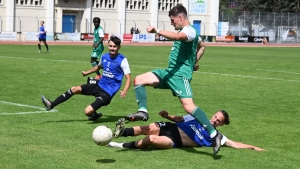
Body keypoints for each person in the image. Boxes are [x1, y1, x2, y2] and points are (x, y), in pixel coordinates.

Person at [124, 4, 222, 154]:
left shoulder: (189, 31)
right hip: (169, 73)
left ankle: (214, 134)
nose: (171, 23)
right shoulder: (189, 32)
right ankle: (143, 111)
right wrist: (192, 62)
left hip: (179, 76)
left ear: (180, 18)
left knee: (189, 107)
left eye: (172, 20)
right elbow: (202, 46)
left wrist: (157, 30)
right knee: (139, 80)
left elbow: (177, 37)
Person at [41, 36, 131, 121]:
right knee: (74, 89)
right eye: (110, 46)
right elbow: (98, 67)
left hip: (107, 93)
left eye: (115, 46)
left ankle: (94, 115)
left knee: (87, 112)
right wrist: (87, 72)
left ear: (119, 47)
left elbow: (128, 78)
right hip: (98, 84)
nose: (112, 48)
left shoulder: (122, 60)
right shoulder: (105, 56)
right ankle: (51, 105)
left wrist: (125, 90)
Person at [109, 110, 264, 152]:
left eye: (218, 121)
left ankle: (119, 144)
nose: (214, 120)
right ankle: (121, 132)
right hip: (172, 128)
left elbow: (234, 144)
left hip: (175, 141)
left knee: (152, 140)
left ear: (221, 124)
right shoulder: (199, 117)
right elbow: (181, 119)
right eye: (215, 116)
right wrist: (168, 116)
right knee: (149, 128)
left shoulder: (216, 136)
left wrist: (252, 146)